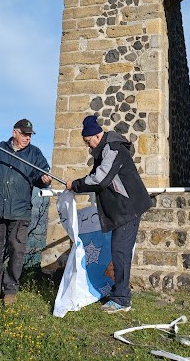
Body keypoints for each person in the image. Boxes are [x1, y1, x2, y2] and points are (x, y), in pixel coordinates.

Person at [65, 115, 152, 313]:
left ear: (97, 136)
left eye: (88, 142)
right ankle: (119, 292)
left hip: (127, 209)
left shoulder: (113, 148)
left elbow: (100, 179)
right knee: (119, 251)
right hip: (123, 209)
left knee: (120, 252)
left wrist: (76, 185)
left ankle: (122, 299)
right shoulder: (104, 150)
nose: (88, 147)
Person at [0, 118, 52, 304]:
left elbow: (42, 175)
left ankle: (11, 290)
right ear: (15, 133)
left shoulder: (35, 154)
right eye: (24, 134)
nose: (27, 138)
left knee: (17, 252)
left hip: (20, 213)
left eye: (30, 135)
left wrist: (45, 180)